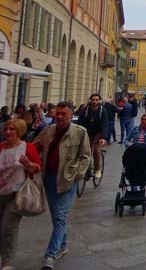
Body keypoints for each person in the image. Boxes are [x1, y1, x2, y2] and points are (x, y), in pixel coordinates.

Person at [33, 101, 90, 270]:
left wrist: (77, 175)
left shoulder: (80, 132)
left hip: (67, 179)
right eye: (57, 113)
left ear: (71, 115)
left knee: (60, 217)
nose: (59, 116)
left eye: (63, 114)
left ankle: (50, 255)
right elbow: (35, 145)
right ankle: (63, 243)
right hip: (49, 178)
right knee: (57, 216)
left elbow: (86, 156)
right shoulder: (49, 130)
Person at [0, 119, 41, 269]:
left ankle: (7, 262)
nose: (8, 132)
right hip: (1, 193)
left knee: (8, 228)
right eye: (6, 129)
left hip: (18, 194)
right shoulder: (1, 148)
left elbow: (37, 168)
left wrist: (28, 165)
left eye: (12, 129)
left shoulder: (27, 147)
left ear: (19, 131)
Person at [77, 94, 108, 179]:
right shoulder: (85, 110)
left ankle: (97, 169)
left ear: (99, 101)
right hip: (87, 133)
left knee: (97, 151)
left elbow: (104, 125)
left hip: (98, 133)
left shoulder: (103, 111)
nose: (94, 101)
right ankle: (85, 168)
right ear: (90, 100)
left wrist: (103, 137)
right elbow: (80, 122)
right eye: (93, 100)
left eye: (96, 100)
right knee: (85, 152)